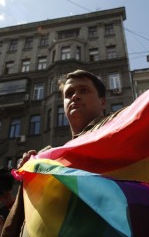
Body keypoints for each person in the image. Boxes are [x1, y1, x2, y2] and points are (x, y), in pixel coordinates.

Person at [1, 69, 122, 236]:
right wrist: (32, 173)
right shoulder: (48, 161)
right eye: (69, 93)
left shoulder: (120, 131)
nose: (75, 96)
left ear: (102, 102)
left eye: (84, 90)